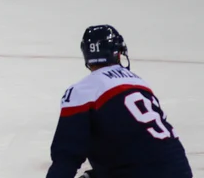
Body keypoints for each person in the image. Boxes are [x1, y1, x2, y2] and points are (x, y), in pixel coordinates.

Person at [46, 25, 193, 178]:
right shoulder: (139, 83)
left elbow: (67, 156)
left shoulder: (82, 91)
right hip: (180, 169)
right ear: (118, 53)